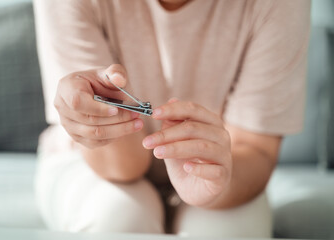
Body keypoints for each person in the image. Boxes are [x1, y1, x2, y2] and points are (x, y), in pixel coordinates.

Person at [33, 0, 311, 237]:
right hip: (92, 162)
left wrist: (218, 182)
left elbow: (255, 149)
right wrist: (101, 120)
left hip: (231, 168)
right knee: (119, 216)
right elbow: (122, 168)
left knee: (227, 231)